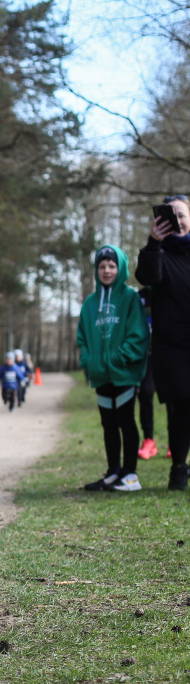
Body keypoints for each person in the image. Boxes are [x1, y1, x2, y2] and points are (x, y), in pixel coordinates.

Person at [79, 245, 150, 492]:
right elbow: (83, 338)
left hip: (124, 373)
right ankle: (113, 472)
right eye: (101, 266)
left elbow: (139, 337)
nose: (106, 271)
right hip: (100, 374)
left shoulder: (130, 298)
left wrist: (117, 359)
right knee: (108, 424)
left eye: (111, 266)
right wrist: (90, 361)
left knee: (125, 420)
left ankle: (130, 475)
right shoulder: (89, 303)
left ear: (120, 268)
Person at [136, 195, 190, 489]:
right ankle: (179, 469)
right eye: (171, 217)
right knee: (180, 407)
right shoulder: (158, 253)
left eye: (182, 215)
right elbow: (147, 276)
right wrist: (154, 243)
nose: (178, 222)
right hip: (172, 348)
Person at [136, 287, 159, 460]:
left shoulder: (170, 290)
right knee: (145, 393)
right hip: (146, 356)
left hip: (169, 352)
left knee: (175, 398)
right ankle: (149, 440)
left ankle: (175, 443)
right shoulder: (139, 297)